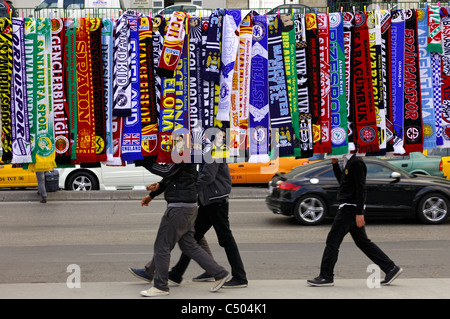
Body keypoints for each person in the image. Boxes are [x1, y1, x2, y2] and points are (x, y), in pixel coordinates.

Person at [135, 161, 230, 297]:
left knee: (162, 246)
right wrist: (156, 191)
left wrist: (144, 160)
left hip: (179, 206)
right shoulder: (186, 157)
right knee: (189, 246)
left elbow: (167, 170)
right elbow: (174, 175)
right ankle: (220, 273)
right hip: (188, 206)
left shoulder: (182, 151)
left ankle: (160, 286)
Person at [307, 153, 403, 287]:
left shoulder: (356, 162)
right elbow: (343, 183)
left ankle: (326, 276)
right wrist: (335, 164)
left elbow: (361, 188)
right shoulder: (349, 161)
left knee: (333, 240)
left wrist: (359, 213)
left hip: (349, 209)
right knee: (362, 242)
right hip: (349, 207)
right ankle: (391, 268)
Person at [168, 161, 248, 288]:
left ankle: (240, 277)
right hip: (208, 201)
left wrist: (192, 190)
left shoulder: (214, 149)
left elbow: (208, 175)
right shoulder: (207, 149)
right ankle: (176, 274)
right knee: (193, 237)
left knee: (226, 239)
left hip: (216, 201)